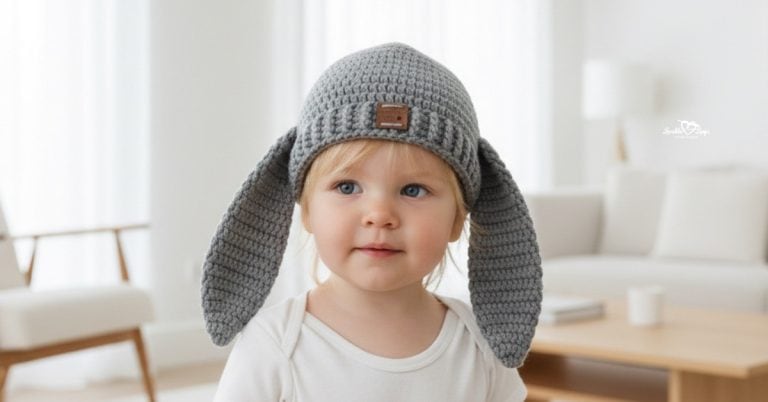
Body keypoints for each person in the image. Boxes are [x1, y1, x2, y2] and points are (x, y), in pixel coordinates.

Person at [201, 42, 543, 402]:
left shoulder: (479, 344)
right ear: (306, 210)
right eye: (347, 186)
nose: (380, 214)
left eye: (413, 190)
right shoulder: (274, 346)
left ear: (458, 218)